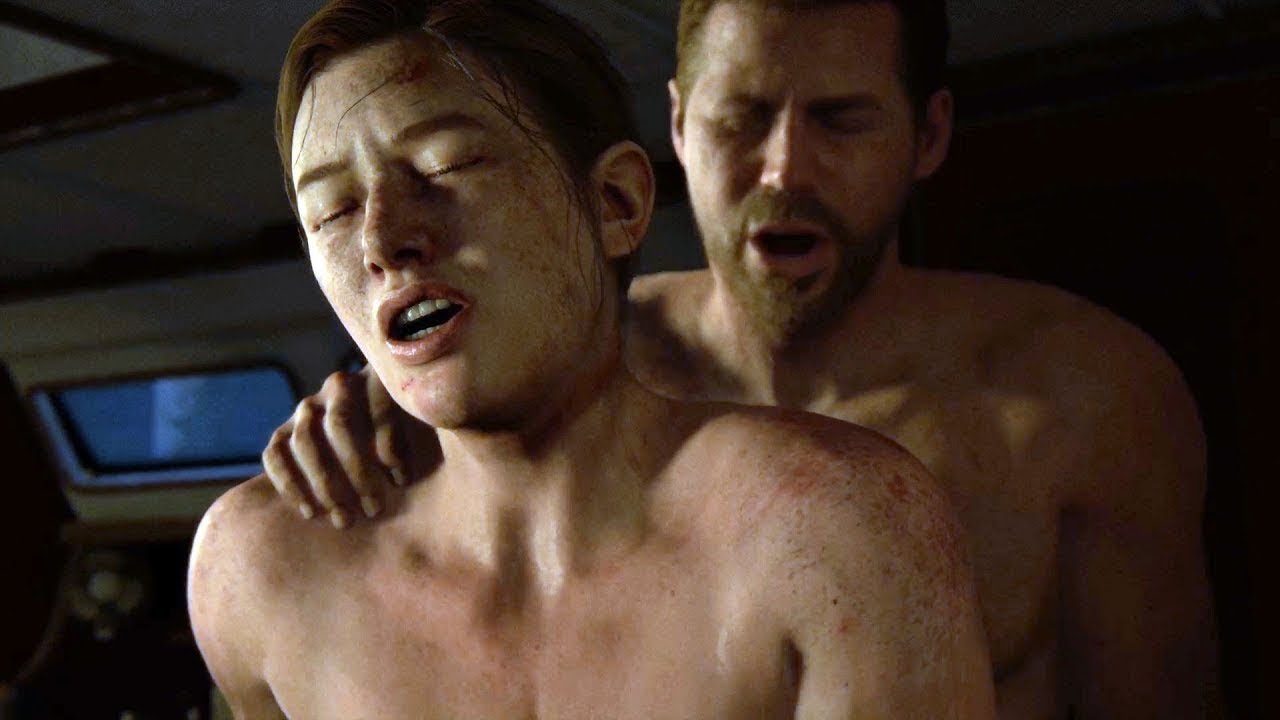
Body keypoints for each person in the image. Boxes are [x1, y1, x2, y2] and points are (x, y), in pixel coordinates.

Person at [263, 1, 1221, 717]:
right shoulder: (548, 358)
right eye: (739, 119)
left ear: (927, 135)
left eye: (840, 119)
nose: (783, 170)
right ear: (678, 129)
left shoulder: (1082, 396)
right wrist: (368, 412)